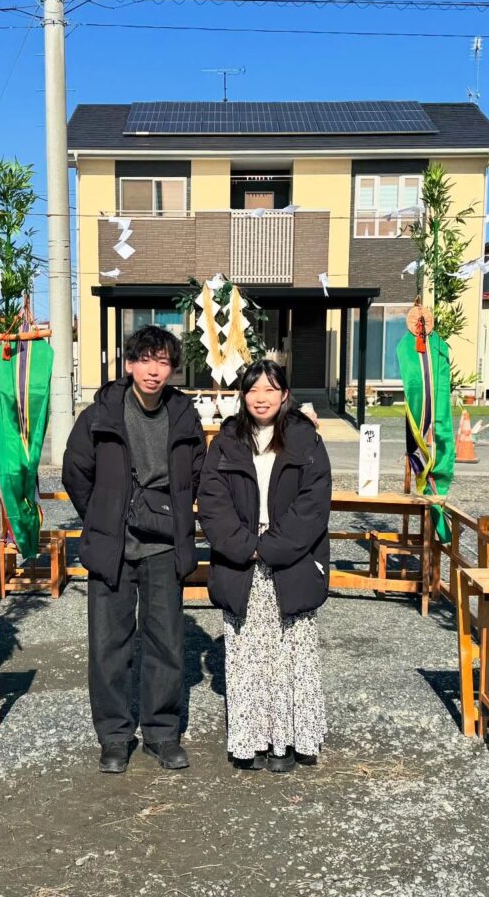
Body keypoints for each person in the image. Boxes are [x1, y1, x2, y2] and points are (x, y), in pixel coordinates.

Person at [62, 325, 206, 774]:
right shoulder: (101, 412)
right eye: (145, 360)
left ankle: (161, 734)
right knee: (109, 645)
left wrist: (171, 510)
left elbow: (196, 474)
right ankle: (114, 736)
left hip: (164, 544)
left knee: (166, 641)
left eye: (162, 362)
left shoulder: (183, 414)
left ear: (172, 369)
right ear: (128, 364)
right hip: (114, 547)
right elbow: (75, 471)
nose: (153, 370)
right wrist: (104, 516)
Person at [198, 360, 331, 773]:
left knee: (293, 652)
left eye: (270, 390)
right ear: (243, 395)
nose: (261, 398)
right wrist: (244, 546)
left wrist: (269, 547)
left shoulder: (306, 440)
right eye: (253, 390)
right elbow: (213, 500)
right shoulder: (225, 443)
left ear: (285, 394)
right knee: (247, 655)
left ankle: (293, 740)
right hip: (241, 560)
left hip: (291, 558)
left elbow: (313, 504)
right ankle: (250, 740)